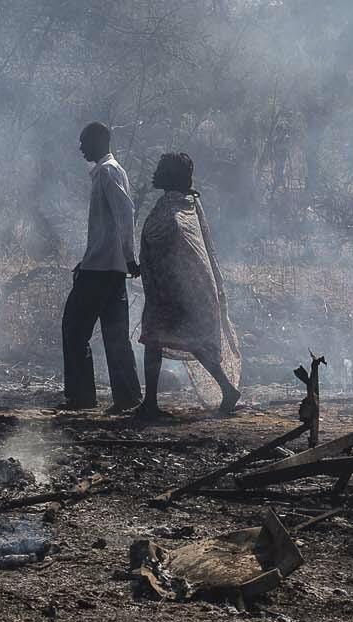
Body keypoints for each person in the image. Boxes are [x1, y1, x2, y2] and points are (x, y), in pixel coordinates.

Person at [136, 152, 240, 418]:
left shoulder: (173, 211)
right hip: (181, 290)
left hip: (175, 291)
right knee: (166, 341)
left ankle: (151, 403)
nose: (155, 173)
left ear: (170, 176)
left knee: (159, 339)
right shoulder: (184, 204)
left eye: (161, 169)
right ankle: (225, 389)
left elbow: (170, 242)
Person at [60, 121, 141, 411]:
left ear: (99, 141)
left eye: (85, 142)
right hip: (109, 268)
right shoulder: (108, 171)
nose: (81, 148)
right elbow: (108, 228)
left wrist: (129, 256)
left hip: (101, 271)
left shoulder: (107, 172)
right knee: (116, 334)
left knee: (74, 329)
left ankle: (81, 397)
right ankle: (128, 398)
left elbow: (125, 213)